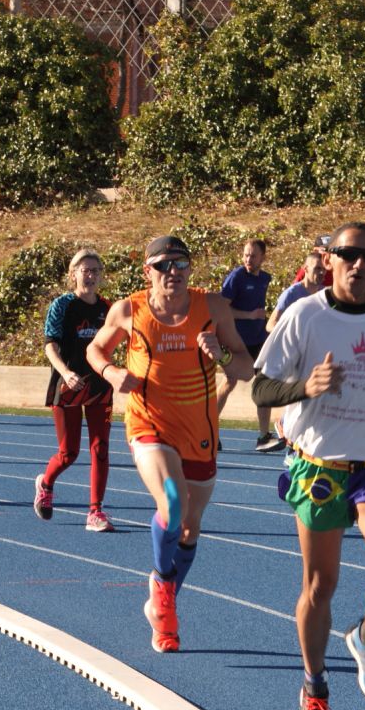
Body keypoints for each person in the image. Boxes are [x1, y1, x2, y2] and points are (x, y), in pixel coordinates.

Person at [252, 221, 365, 710]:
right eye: (347, 255)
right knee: (319, 586)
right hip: (319, 469)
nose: (357, 265)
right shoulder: (305, 316)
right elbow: (260, 388)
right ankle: (314, 687)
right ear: (329, 260)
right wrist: (306, 385)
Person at [87, 235, 253, 653]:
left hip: (199, 429)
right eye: (162, 265)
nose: (172, 272)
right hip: (149, 424)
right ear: (148, 272)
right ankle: (162, 589)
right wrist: (109, 372)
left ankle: (164, 611)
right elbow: (94, 348)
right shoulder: (128, 310)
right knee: (172, 501)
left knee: (189, 528)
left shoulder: (212, 307)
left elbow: (247, 368)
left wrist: (224, 357)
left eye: (180, 263)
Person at [34, 249, 116, 531]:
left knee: (100, 449)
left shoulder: (108, 308)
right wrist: (65, 372)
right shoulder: (62, 306)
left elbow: (116, 342)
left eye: (95, 270)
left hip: (99, 386)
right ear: (74, 274)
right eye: (85, 270)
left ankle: (95, 512)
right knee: (69, 453)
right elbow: (50, 345)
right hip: (68, 385)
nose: (90, 276)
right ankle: (45, 483)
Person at [216, 238, 283, 453]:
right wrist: (249, 315)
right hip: (236, 340)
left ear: (263, 257)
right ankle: (208, 429)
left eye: (253, 255)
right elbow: (222, 309)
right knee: (229, 383)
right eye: (246, 254)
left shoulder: (265, 278)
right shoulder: (236, 277)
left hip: (257, 341)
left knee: (264, 384)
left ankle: (263, 436)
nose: (248, 259)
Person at [268, 251, 325, 333]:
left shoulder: (325, 293)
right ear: (306, 269)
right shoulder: (291, 294)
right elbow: (270, 325)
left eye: (324, 269)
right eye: (317, 268)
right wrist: (292, 336)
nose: (322, 272)